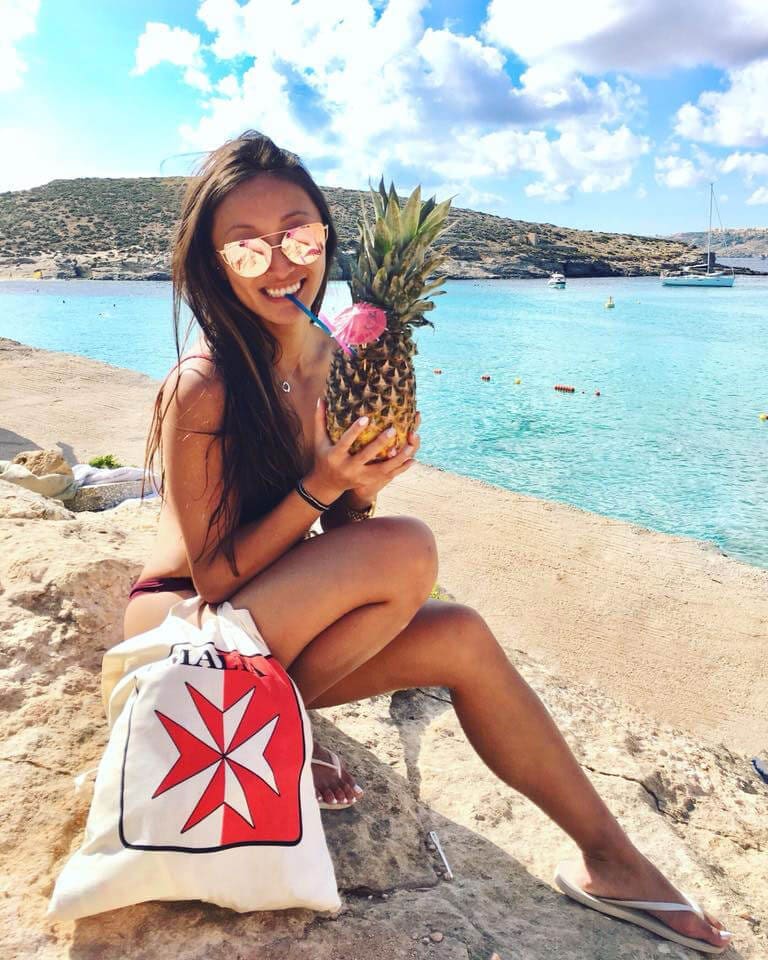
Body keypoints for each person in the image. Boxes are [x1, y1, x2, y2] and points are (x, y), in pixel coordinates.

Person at [123, 131, 730, 954]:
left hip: (272, 624)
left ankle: (613, 861)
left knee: (462, 634)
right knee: (409, 552)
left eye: (299, 234)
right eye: (246, 244)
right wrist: (331, 485)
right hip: (187, 624)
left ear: (327, 238)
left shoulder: (333, 349)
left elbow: (332, 542)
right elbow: (220, 573)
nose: (280, 262)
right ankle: (285, 733)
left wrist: (361, 489)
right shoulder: (205, 384)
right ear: (212, 259)